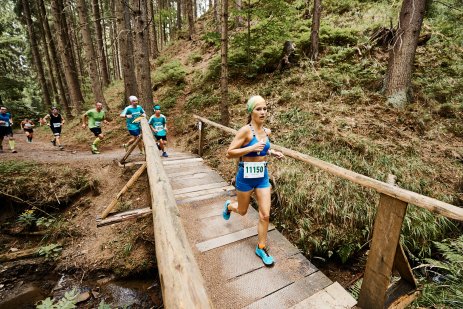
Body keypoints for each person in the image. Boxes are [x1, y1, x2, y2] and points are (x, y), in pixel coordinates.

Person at [222, 95, 284, 266]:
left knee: (265, 215)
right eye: (258, 109)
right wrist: (250, 147)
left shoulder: (267, 132)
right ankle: (229, 206)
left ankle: (261, 247)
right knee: (242, 211)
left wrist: (272, 153)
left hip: (262, 176)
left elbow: (262, 150)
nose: (263, 112)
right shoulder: (245, 131)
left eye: (265, 108)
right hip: (246, 177)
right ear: (251, 112)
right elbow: (229, 153)